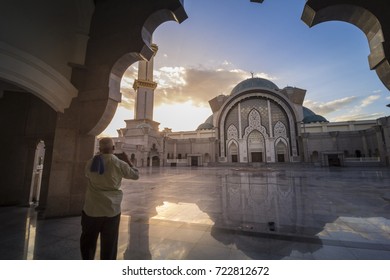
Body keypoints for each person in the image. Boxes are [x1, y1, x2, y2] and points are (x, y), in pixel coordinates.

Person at [80, 137, 139, 260]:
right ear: (113, 148)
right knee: (109, 244)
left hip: (91, 210)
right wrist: (128, 162)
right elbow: (135, 175)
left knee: (88, 242)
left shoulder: (91, 162)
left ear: (99, 149)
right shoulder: (119, 163)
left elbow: (87, 174)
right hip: (111, 211)